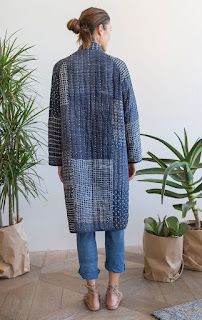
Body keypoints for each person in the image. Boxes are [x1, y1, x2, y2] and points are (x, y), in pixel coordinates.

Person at [48, 6, 142, 311]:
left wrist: (58, 159)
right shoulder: (118, 68)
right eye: (110, 29)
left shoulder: (61, 69)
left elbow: (55, 119)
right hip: (113, 159)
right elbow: (131, 118)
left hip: (76, 158)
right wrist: (133, 156)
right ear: (100, 29)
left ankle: (92, 291)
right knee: (116, 223)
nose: (111, 35)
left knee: (84, 224)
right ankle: (113, 292)